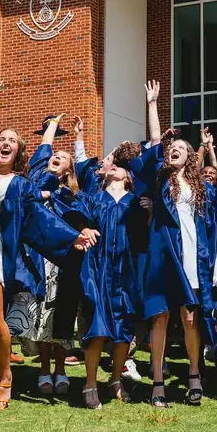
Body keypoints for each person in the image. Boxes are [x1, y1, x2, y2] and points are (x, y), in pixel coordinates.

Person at [0, 82, 95, 412]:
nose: (5, 143)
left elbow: (40, 219)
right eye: (3, 139)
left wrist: (73, 236)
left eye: (13, 140)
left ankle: (5, 377)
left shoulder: (18, 184)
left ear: (19, 152)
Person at [134, 80, 217, 408]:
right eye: (173, 149)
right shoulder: (159, 177)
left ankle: (194, 374)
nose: (174, 150)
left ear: (189, 157)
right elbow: (155, 142)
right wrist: (153, 105)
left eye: (181, 149)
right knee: (160, 316)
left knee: (189, 317)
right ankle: (157, 382)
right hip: (163, 252)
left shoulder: (199, 188)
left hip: (190, 253)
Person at [72, 147, 148, 407]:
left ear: (128, 176)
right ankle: (90, 382)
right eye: (111, 165)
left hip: (126, 273)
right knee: (97, 326)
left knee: (123, 329)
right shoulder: (94, 198)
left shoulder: (135, 203)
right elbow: (76, 215)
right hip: (98, 270)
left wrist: (149, 212)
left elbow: (145, 238)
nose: (114, 166)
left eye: (120, 165)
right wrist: (84, 227)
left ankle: (116, 380)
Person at [16, 114, 81, 397]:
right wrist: (51, 128)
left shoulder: (72, 195)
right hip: (39, 260)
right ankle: (44, 369)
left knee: (61, 315)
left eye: (63, 157)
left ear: (69, 169)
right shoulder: (37, 181)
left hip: (64, 262)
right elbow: (43, 153)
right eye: (55, 154)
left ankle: (61, 369)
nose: (57, 157)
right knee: (42, 315)